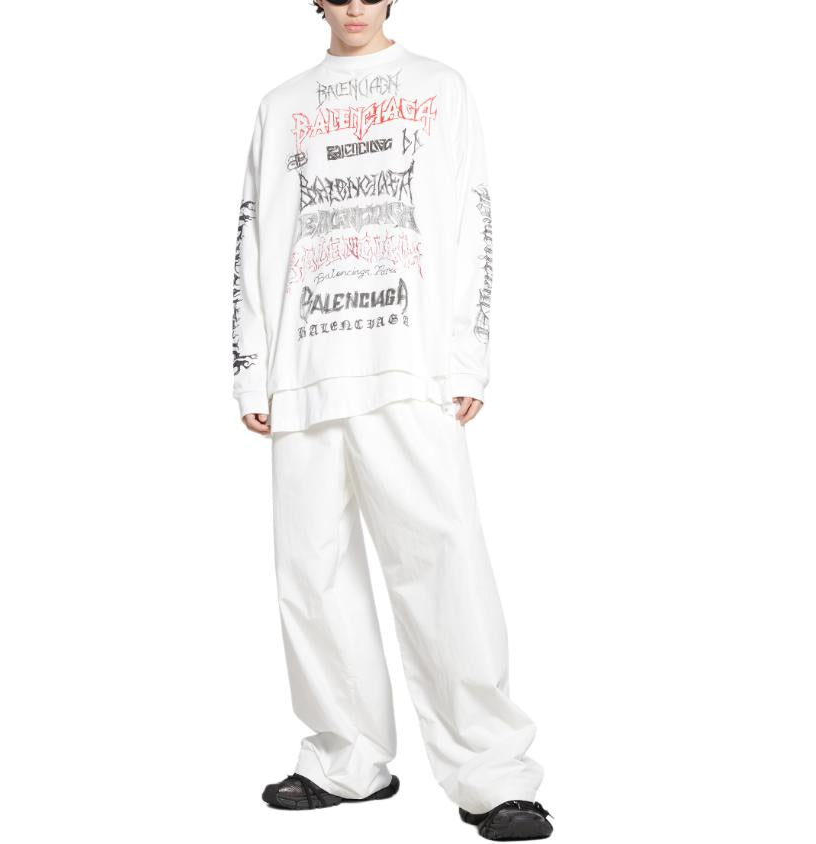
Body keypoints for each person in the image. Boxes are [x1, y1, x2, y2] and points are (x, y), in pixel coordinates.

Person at [231, 1, 553, 839]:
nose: (353, 9)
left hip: (409, 362)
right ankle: (345, 761)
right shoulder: (281, 104)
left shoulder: (440, 87)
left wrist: (467, 353)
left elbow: (473, 219)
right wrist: (250, 364)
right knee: (311, 572)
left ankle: (492, 776)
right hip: (304, 365)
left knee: (442, 561)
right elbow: (254, 234)